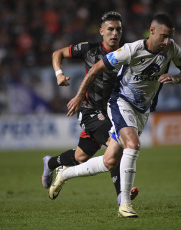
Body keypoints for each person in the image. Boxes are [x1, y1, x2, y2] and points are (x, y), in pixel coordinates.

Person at [49, 14, 181, 218]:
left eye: (170, 37)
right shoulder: (129, 50)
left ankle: (64, 172)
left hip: (142, 110)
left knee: (109, 160)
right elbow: (95, 68)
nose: (167, 41)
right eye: (163, 36)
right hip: (118, 103)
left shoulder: (171, 49)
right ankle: (124, 203)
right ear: (151, 31)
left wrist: (176, 78)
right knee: (132, 145)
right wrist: (78, 94)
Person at [41, 11, 139, 205]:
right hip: (90, 110)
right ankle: (121, 195)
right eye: (110, 29)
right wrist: (59, 74)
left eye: (118, 29)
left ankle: (51, 163)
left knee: (80, 157)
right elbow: (57, 54)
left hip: (113, 112)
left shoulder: (126, 55)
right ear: (101, 31)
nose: (114, 34)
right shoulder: (89, 50)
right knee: (116, 143)